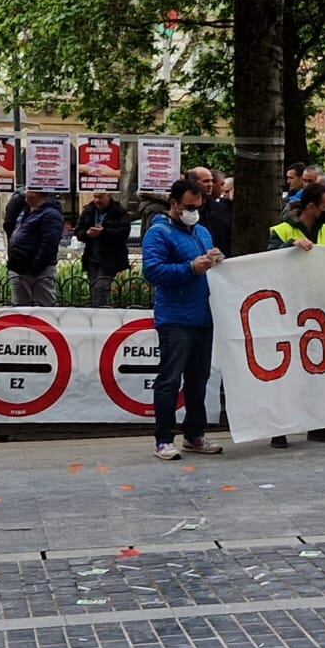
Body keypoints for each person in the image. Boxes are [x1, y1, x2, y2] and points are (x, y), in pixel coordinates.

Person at [143, 177, 224, 459]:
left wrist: (215, 259)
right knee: (169, 380)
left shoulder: (201, 231)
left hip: (202, 317)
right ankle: (164, 439)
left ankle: (194, 435)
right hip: (175, 318)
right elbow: (153, 272)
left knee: (198, 379)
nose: (194, 210)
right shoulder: (159, 234)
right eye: (189, 206)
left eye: (198, 205)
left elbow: (208, 267)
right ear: (174, 204)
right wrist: (190, 268)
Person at [264, 187, 325, 446]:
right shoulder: (281, 231)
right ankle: (281, 427)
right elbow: (265, 262)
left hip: (320, 311)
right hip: (289, 310)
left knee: (319, 369)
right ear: (310, 207)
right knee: (288, 370)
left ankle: (318, 424)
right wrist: (289, 247)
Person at [7, 188, 65, 306]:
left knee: (44, 307)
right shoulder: (26, 212)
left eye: (28, 189)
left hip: (38, 271)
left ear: (36, 192)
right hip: (20, 268)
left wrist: (35, 267)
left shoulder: (51, 214)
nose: (24, 192)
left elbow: (49, 245)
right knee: (20, 308)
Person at [74, 190, 131, 307]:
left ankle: (102, 313)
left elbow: (124, 233)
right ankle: (97, 312)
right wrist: (86, 234)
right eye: (95, 197)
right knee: (94, 288)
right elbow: (78, 231)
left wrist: (104, 232)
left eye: (100, 197)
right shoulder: (88, 210)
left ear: (108, 195)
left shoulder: (119, 212)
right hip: (92, 258)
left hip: (110, 258)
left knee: (101, 287)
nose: (96, 200)